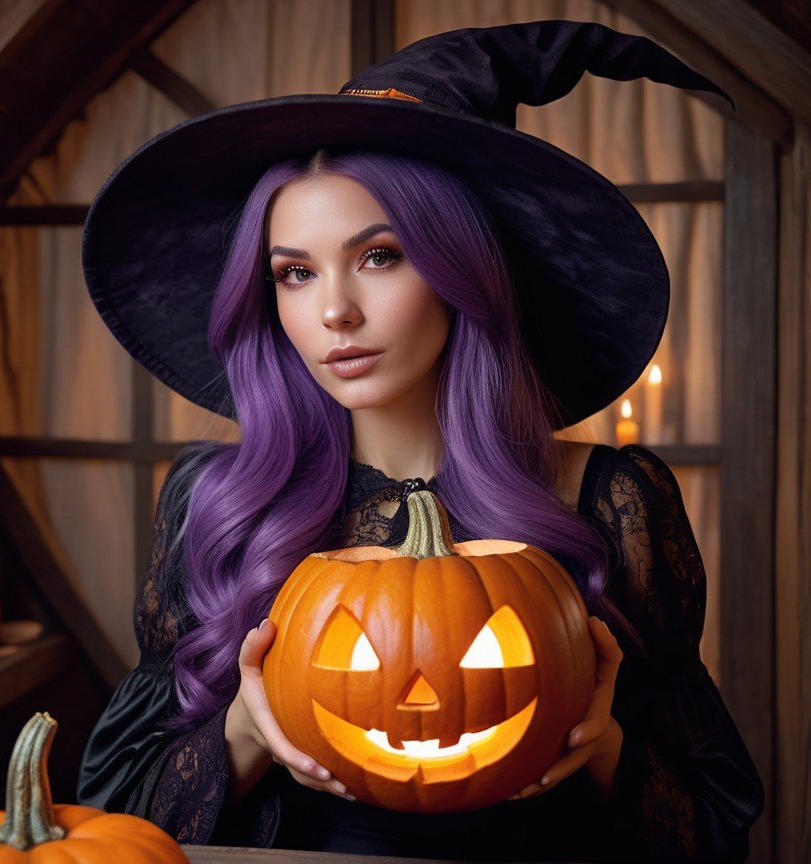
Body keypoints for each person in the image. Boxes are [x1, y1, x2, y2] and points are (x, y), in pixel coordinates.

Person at [76, 20, 763, 862]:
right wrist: (248, 732)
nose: (334, 312)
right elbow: (112, 823)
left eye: (379, 257)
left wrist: (607, 749)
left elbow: (718, 826)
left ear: (461, 271)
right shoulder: (216, 505)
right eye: (295, 272)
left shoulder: (613, 502)